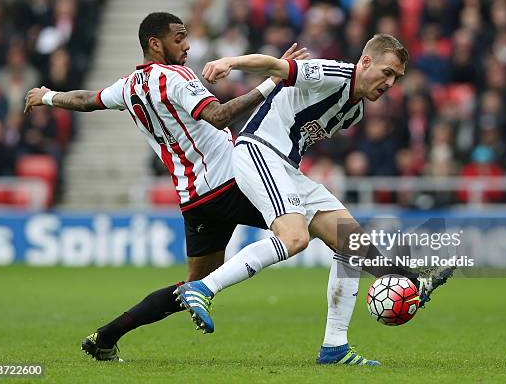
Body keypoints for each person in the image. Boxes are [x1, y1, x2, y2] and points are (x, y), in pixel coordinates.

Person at [24, 12, 307, 362]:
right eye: (179, 38)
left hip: (194, 199)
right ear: (155, 44)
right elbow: (218, 116)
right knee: (311, 221)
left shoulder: (129, 86)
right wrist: (272, 82)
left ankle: (105, 337)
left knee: (194, 285)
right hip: (231, 183)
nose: (186, 45)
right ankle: (365, 303)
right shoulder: (176, 77)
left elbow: (86, 100)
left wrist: (48, 96)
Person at [178, 34, 455, 366]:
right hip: (259, 150)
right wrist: (230, 62)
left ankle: (335, 347)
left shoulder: (355, 112)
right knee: (295, 238)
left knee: (352, 244)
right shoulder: (333, 73)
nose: (390, 82)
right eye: (387, 72)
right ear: (365, 62)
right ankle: (203, 289)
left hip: (287, 167)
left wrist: (404, 279)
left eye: (396, 77)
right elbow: (275, 66)